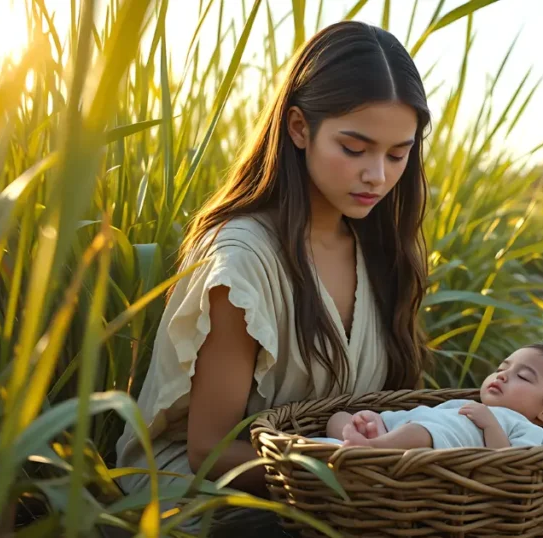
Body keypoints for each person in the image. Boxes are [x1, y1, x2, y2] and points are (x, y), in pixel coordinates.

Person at [113, 20, 431, 534]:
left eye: (398, 154)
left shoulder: (382, 250)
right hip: (212, 495)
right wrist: (349, 478)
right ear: (299, 128)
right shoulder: (242, 260)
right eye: (355, 148)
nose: (378, 175)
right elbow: (208, 453)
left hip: (342, 488)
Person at [325, 343, 543, 449]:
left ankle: (370, 450)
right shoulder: (467, 404)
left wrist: (490, 425)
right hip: (396, 428)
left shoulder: (529, 430)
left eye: (523, 377)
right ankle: (358, 440)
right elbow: (425, 414)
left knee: (422, 430)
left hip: (426, 443)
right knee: (339, 416)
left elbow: (512, 464)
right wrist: (375, 420)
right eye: (502, 368)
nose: (501, 376)